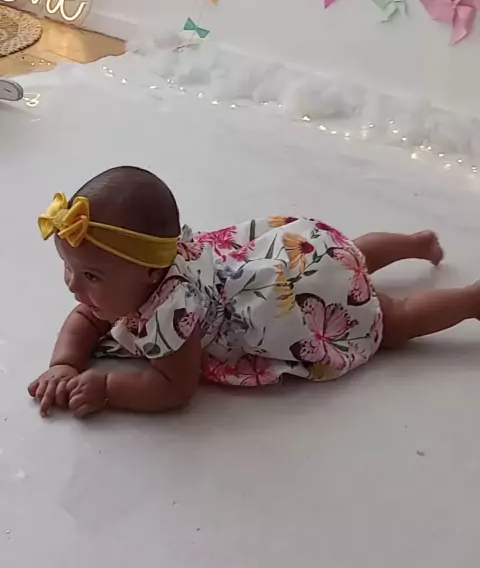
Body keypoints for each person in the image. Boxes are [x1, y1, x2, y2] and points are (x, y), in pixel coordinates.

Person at [29, 166, 474, 418]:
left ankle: (470, 299)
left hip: (294, 303)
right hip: (285, 255)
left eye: (90, 276)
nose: (73, 287)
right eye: (70, 269)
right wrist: (64, 363)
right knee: (347, 254)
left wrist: (108, 386)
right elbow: (86, 317)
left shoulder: (172, 312)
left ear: (149, 272)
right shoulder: (141, 274)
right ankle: (414, 243)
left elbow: (173, 387)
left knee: (389, 319)